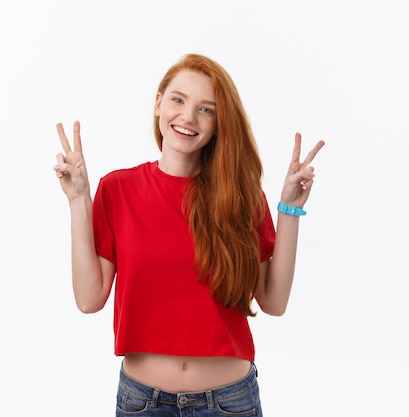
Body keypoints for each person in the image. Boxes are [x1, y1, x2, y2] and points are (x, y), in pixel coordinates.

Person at [54, 53, 324, 416]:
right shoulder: (117, 189)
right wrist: (77, 201)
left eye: (206, 109)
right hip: (143, 403)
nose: (188, 117)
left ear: (218, 124)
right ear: (158, 103)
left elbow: (273, 302)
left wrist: (289, 211)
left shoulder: (241, 197)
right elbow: (89, 300)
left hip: (229, 402)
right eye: (178, 100)